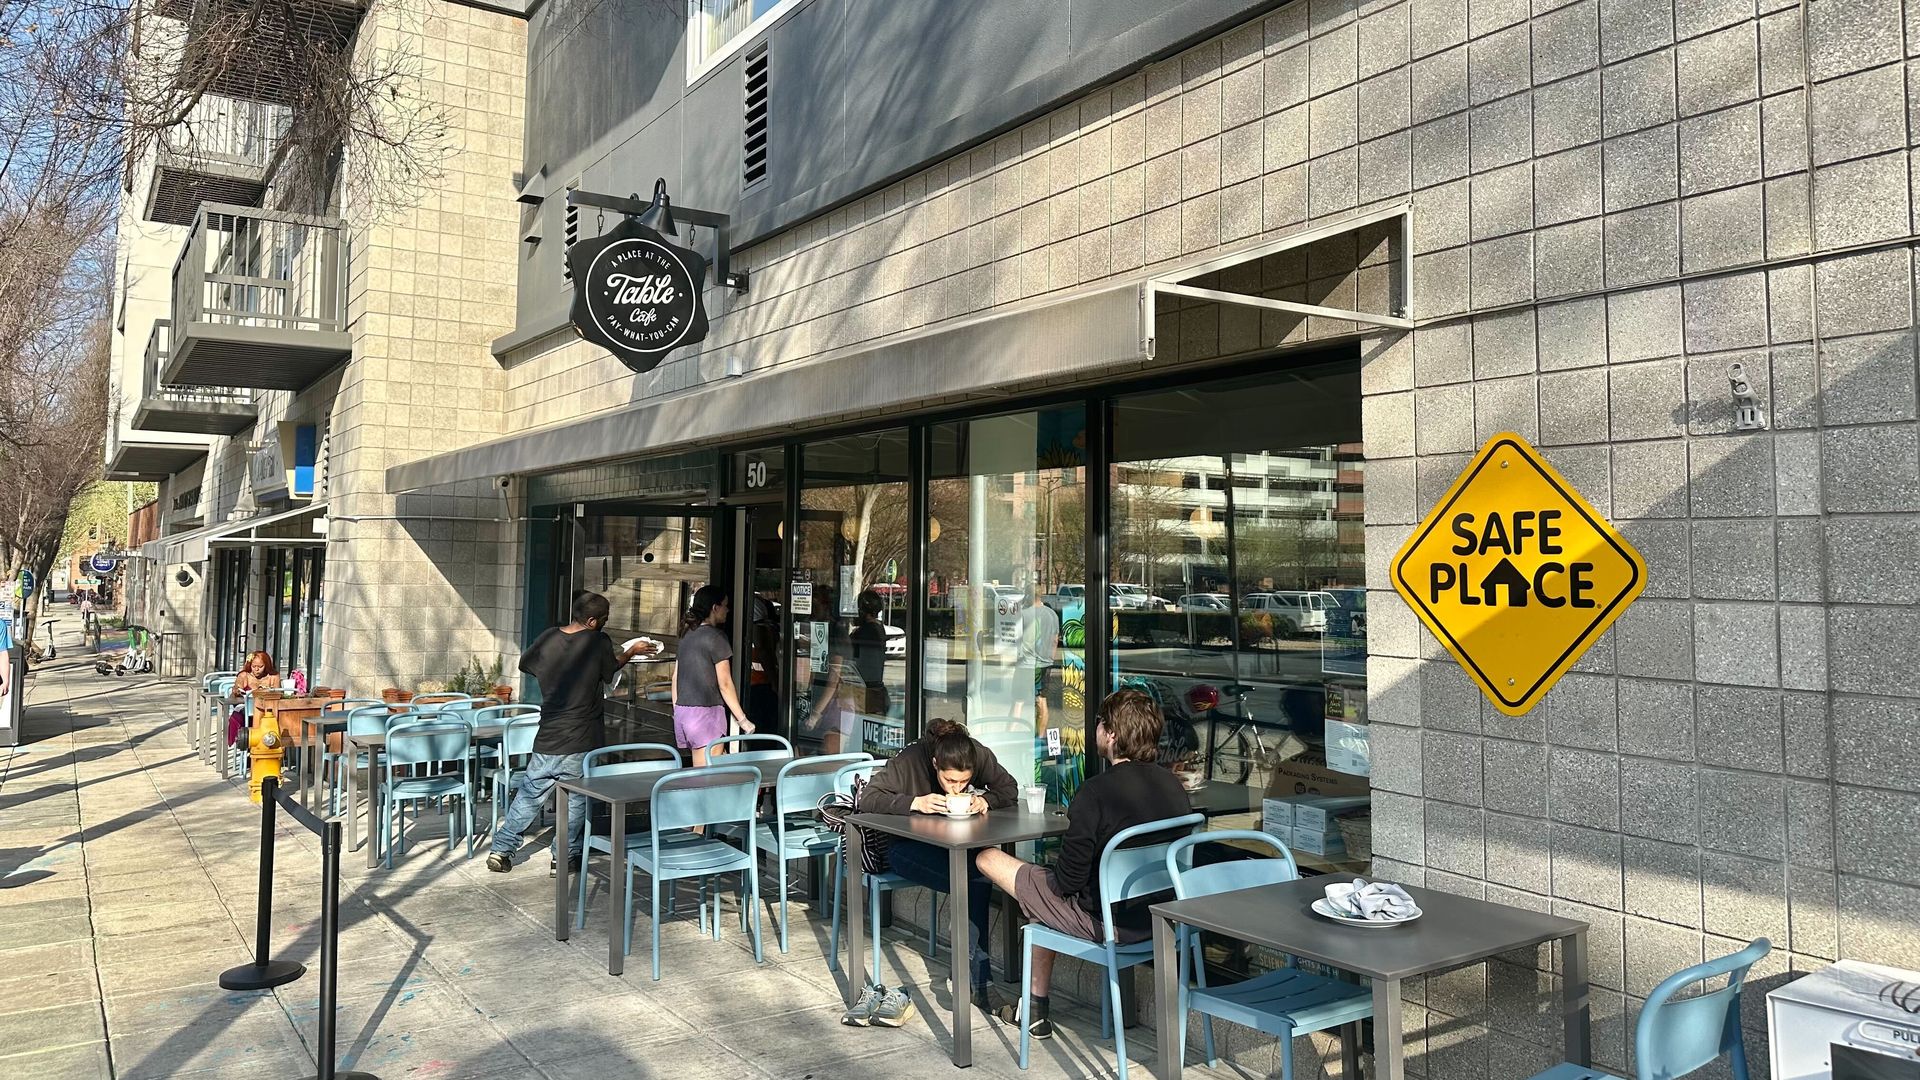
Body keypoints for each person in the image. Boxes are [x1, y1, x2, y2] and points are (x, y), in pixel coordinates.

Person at [975, 688, 1191, 1038]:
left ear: (1112, 734)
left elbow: (1067, 883)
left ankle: (1033, 1009)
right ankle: (1034, 1010)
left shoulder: (1095, 792)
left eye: (1100, 722)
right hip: (1162, 920)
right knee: (1043, 901)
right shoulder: (1173, 785)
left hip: (1108, 924)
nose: (1097, 728)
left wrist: (1050, 871)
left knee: (988, 858)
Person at [856, 718, 1018, 1019]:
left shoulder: (975, 753)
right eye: (950, 781)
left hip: (953, 847)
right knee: (974, 879)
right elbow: (869, 798)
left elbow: (1009, 787)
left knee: (980, 872)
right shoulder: (911, 760)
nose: (957, 788)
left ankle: (970, 970)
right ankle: (978, 981)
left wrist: (985, 800)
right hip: (904, 849)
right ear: (934, 764)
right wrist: (915, 802)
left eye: (964, 782)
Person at [487, 591, 656, 874]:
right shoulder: (597, 641)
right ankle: (564, 858)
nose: (605, 623)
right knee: (576, 801)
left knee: (529, 795)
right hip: (581, 736)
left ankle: (501, 850)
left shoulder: (549, 637)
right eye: (604, 619)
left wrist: (554, 673)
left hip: (548, 734)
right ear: (592, 621)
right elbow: (610, 670)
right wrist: (631, 651)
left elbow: (526, 664)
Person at [672, 584, 754, 767]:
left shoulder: (686, 634)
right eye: (725, 605)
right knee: (705, 775)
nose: (728, 610)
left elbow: (675, 677)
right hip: (706, 714)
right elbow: (725, 683)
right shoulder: (716, 637)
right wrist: (742, 720)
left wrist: (676, 710)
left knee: (712, 766)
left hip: (684, 712)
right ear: (715, 608)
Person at [1017, 588, 1060, 726]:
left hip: (1026, 663)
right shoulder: (1052, 614)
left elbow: (1017, 640)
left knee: (1018, 702)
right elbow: (1055, 640)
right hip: (1045, 662)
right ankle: (1041, 736)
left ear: (1028, 595)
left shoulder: (1024, 614)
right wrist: (1050, 658)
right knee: (1042, 701)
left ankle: (1011, 731)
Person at [848, 589, 890, 719]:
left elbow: (846, 654)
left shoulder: (866, 632)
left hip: (865, 691)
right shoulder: (878, 628)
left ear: (863, 611)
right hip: (874, 690)